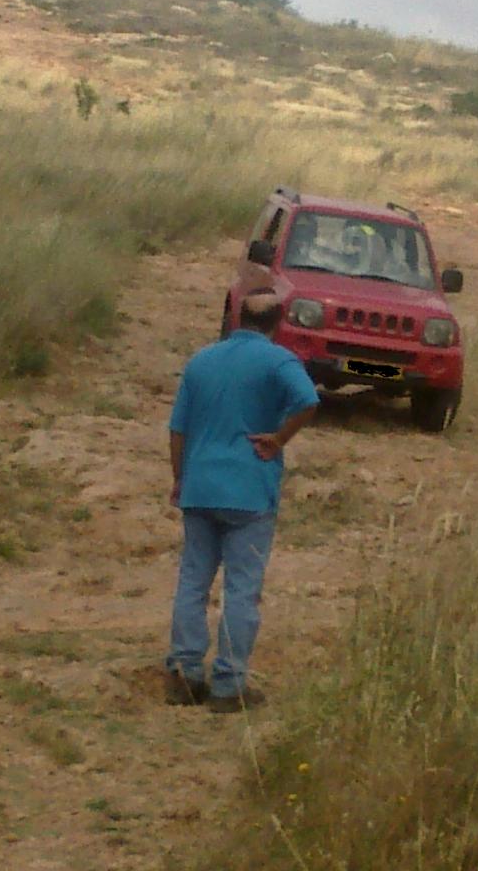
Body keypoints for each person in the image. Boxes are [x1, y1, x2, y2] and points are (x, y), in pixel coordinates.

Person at [165, 288, 319, 713]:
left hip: (200, 486)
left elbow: (177, 429)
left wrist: (180, 479)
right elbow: (308, 400)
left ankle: (185, 672)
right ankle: (228, 685)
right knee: (241, 590)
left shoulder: (201, 361)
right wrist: (279, 439)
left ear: (236, 317)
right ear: (279, 321)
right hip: (250, 491)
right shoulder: (280, 361)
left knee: (193, 581)